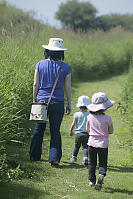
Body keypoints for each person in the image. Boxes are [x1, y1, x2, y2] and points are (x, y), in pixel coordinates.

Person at [30, 38, 72, 167]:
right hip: (58, 101)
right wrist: (69, 103)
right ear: (61, 53)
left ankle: (34, 156)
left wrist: (34, 100)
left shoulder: (40, 64)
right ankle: (54, 159)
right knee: (55, 130)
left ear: (47, 50)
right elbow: (68, 87)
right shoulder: (65, 67)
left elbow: (36, 84)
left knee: (39, 129)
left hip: (41, 100)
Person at [86, 92, 114, 190]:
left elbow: (88, 130)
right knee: (102, 162)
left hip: (91, 143)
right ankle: (101, 174)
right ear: (105, 107)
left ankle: (91, 181)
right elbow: (111, 131)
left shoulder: (89, 117)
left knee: (92, 163)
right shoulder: (108, 118)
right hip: (103, 144)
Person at [70, 96, 90, 166]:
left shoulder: (76, 114)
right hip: (87, 134)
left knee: (76, 146)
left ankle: (74, 157)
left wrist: (71, 131)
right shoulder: (90, 115)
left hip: (78, 133)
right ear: (87, 106)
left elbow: (73, 124)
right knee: (85, 146)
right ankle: (85, 158)